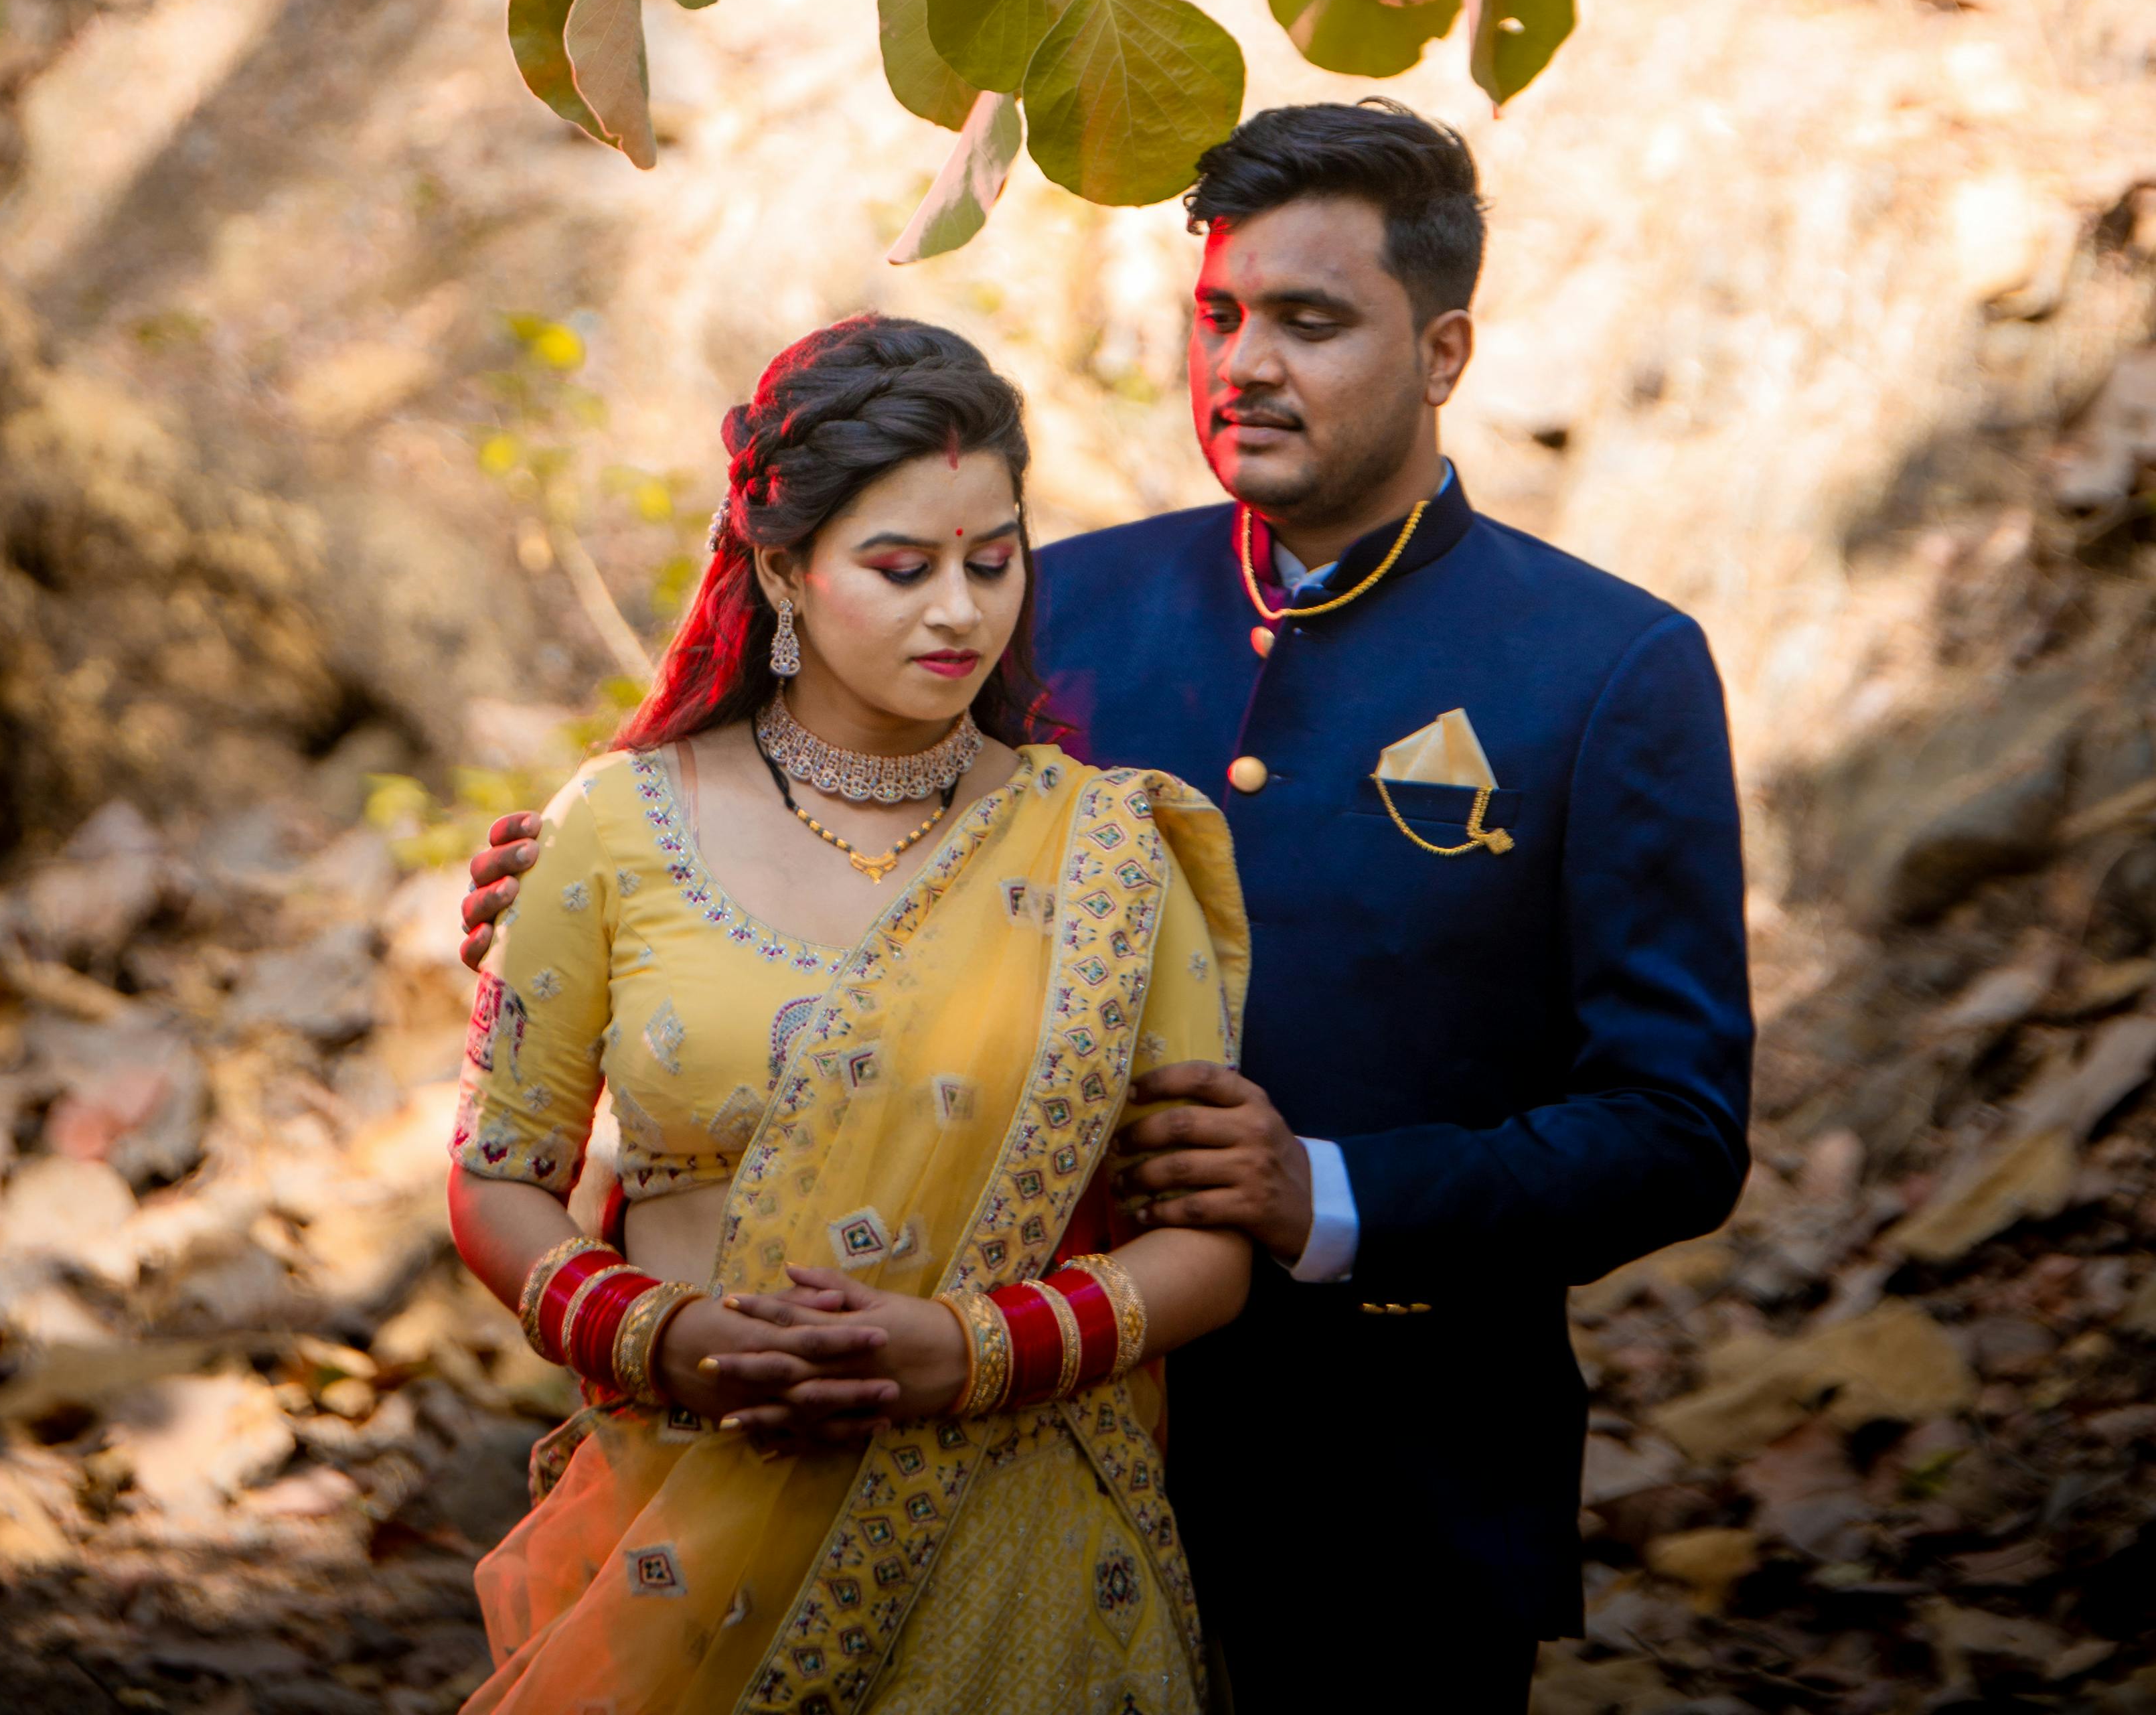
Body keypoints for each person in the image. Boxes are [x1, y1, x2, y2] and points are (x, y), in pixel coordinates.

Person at [465, 105, 1754, 1710]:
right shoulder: (1048, 601)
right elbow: (830, 860)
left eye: (1309, 320)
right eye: (1216, 313)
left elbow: (1678, 1129)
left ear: (1444, 352)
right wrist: (593, 901)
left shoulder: (1602, 669)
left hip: (1387, 1498)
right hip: (973, 1453)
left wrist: (1328, 1194)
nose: (1243, 363)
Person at [446, 311, 1253, 1715]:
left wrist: (975, 1351)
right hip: (692, 1515)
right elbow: (496, 1178)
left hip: (1025, 1542)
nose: (960, 610)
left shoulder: (1108, 851)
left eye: (992, 562)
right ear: (781, 570)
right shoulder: (617, 826)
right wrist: (666, 1337)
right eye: (902, 567)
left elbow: (1206, 1243)